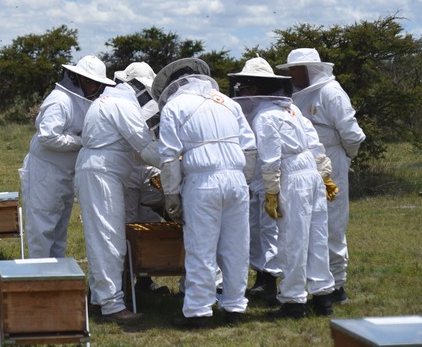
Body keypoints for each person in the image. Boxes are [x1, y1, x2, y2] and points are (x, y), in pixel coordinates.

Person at [229, 58, 339, 318]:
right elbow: (314, 144)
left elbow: (269, 159)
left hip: (291, 176)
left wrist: (271, 192)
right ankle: (323, 298)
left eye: (244, 87)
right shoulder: (291, 110)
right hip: (309, 173)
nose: (242, 93)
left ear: (254, 89)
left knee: (292, 240)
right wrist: (324, 176)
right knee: (316, 237)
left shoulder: (265, 118)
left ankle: (293, 302)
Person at [153, 58, 257, 328]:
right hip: (236, 180)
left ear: (174, 84)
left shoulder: (175, 106)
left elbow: (168, 157)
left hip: (202, 183)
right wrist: (243, 181)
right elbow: (250, 148)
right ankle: (235, 307)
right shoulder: (229, 103)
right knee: (236, 247)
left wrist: (171, 194)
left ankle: (199, 311)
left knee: (201, 248)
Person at [277, 49, 365, 304]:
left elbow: (353, 135)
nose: (292, 74)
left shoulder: (331, 92)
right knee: (306, 225)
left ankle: (336, 285)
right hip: (303, 166)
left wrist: (344, 159)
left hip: (333, 161)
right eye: (290, 70)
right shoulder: (295, 95)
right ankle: (312, 284)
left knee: (332, 224)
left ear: (311, 69)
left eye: (296, 69)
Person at [75, 61, 157, 324]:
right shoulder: (121, 105)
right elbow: (145, 146)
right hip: (102, 174)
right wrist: (177, 162)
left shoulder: (110, 100)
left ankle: (100, 298)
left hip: (101, 172)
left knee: (103, 237)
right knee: (109, 239)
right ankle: (112, 305)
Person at [19, 55, 115, 259]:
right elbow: (48, 136)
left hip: (65, 173)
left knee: (59, 229)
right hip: (45, 172)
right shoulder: (60, 100)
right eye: (94, 83)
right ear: (84, 80)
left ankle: (57, 280)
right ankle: (39, 281)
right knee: (42, 229)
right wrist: (81, 142)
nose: (95, 88)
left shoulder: (80, 100)